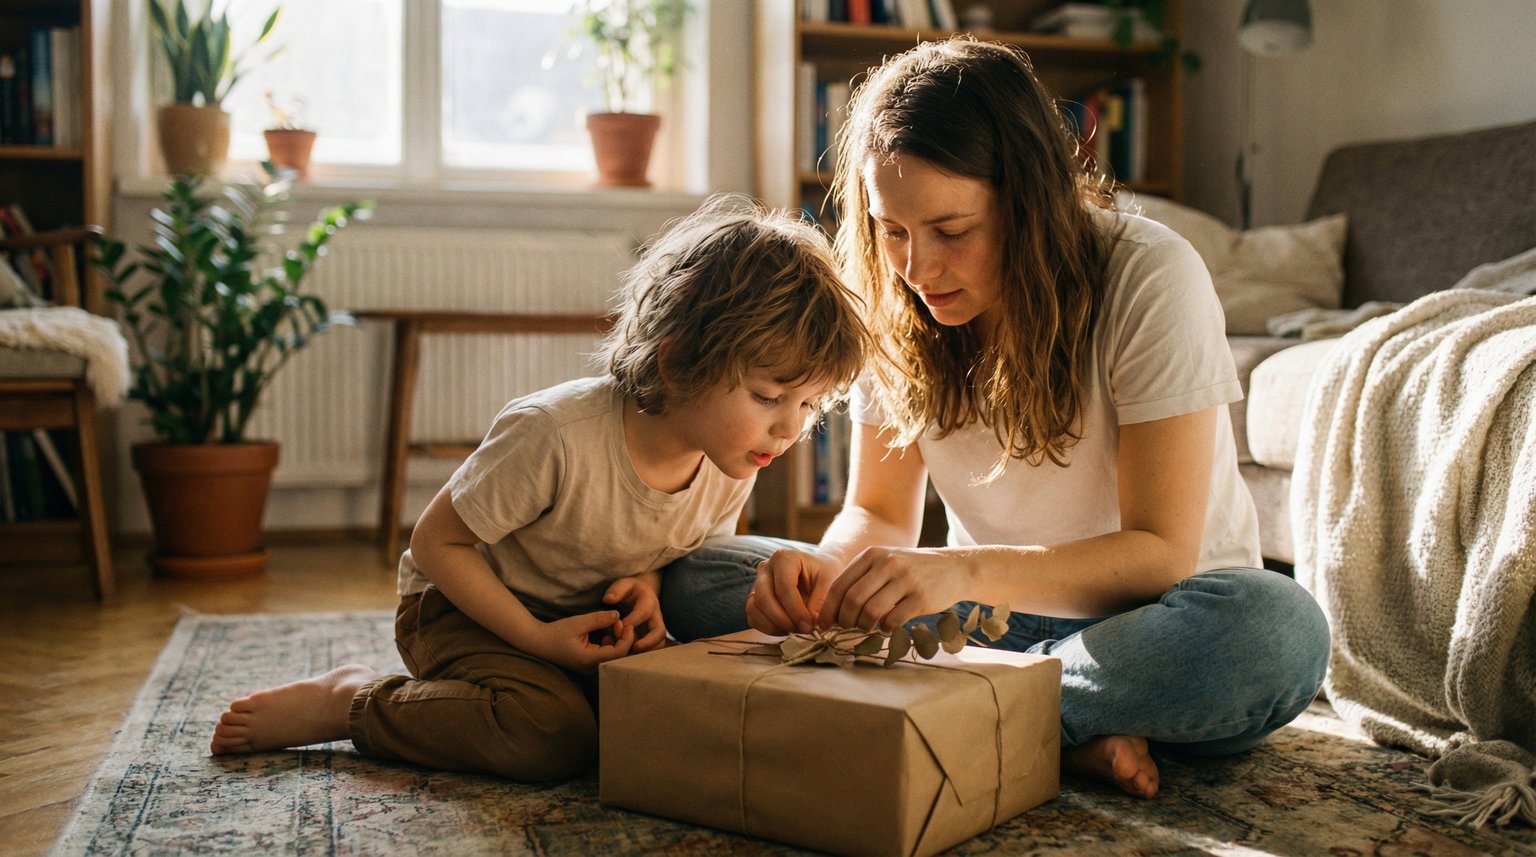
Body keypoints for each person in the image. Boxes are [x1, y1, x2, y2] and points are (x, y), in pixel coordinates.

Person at [659, 39, 1330, 800]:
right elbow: (877, 512)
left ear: (1030, 201)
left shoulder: (1148, 273)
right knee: (700, 576)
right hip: (979, 627)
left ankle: (968, 705)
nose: (917, 270)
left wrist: (963, 567)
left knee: (1280, 632)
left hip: (1153, 625)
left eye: (951, 231)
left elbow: (1161, 555)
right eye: (892, 229)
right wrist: (826, 575)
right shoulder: (893, 299)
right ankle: (1038, 720)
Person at [209, 194, 870, 781]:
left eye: (811, 407)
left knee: (675, 716)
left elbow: (680, 560)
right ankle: (351, 700)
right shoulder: (556, 432)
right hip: (464, 609)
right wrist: (535, 638)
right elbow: (437, 543)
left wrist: (648, 586)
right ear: (678, 359)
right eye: (768, 395)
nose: (789, 428)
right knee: (552, 736)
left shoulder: (732, 455)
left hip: (581, 619)